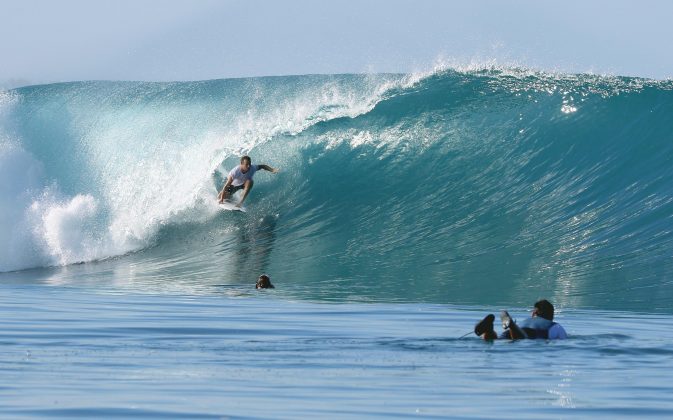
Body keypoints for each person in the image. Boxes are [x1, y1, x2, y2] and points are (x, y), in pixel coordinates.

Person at [474, 299, 567, 340]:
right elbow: (562, 340)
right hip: (531, 332)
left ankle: (489, 331)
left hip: (519, 329)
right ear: (551, 316)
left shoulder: (526, 321)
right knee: (522, 339)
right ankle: (511, 326)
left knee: (498, 339)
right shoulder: (554, 325)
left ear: (533, 313)